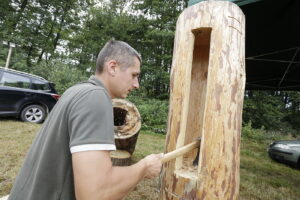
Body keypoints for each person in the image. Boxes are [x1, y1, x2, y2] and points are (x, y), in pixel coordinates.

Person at [8, 40, 163, 200]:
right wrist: (144, 167)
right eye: (134, 75)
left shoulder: (76, 90)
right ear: (113, 67)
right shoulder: (95, 97)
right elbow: (95, 194)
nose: (136, 84)